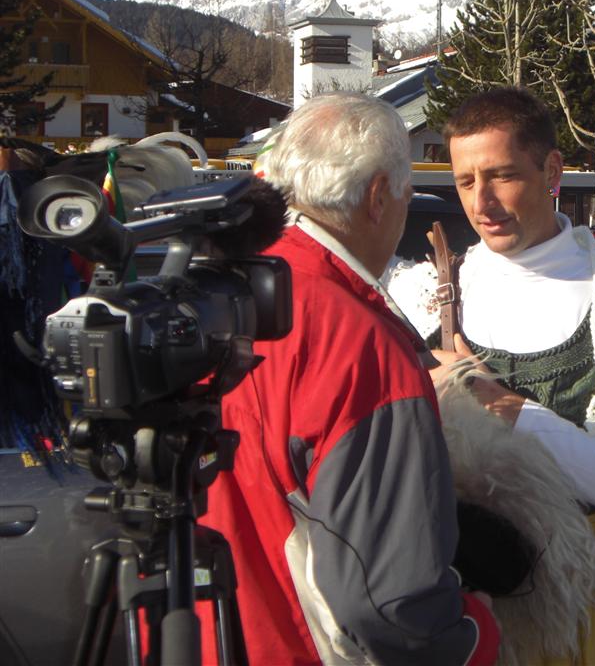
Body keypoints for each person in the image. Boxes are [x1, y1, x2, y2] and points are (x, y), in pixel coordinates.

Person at [387, 87, 595, 665]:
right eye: (465, 181)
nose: (482, 202)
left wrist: (493, 400)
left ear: (551, 170)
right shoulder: (425, 295)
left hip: (592, 598)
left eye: (502, 176)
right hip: (464, 597)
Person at [199, 93, 500, 665]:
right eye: (407, 194)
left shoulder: (225, 292)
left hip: (191, 634)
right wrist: (474, 635)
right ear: (379, 196)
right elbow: (390, 604)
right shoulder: (359, 342)